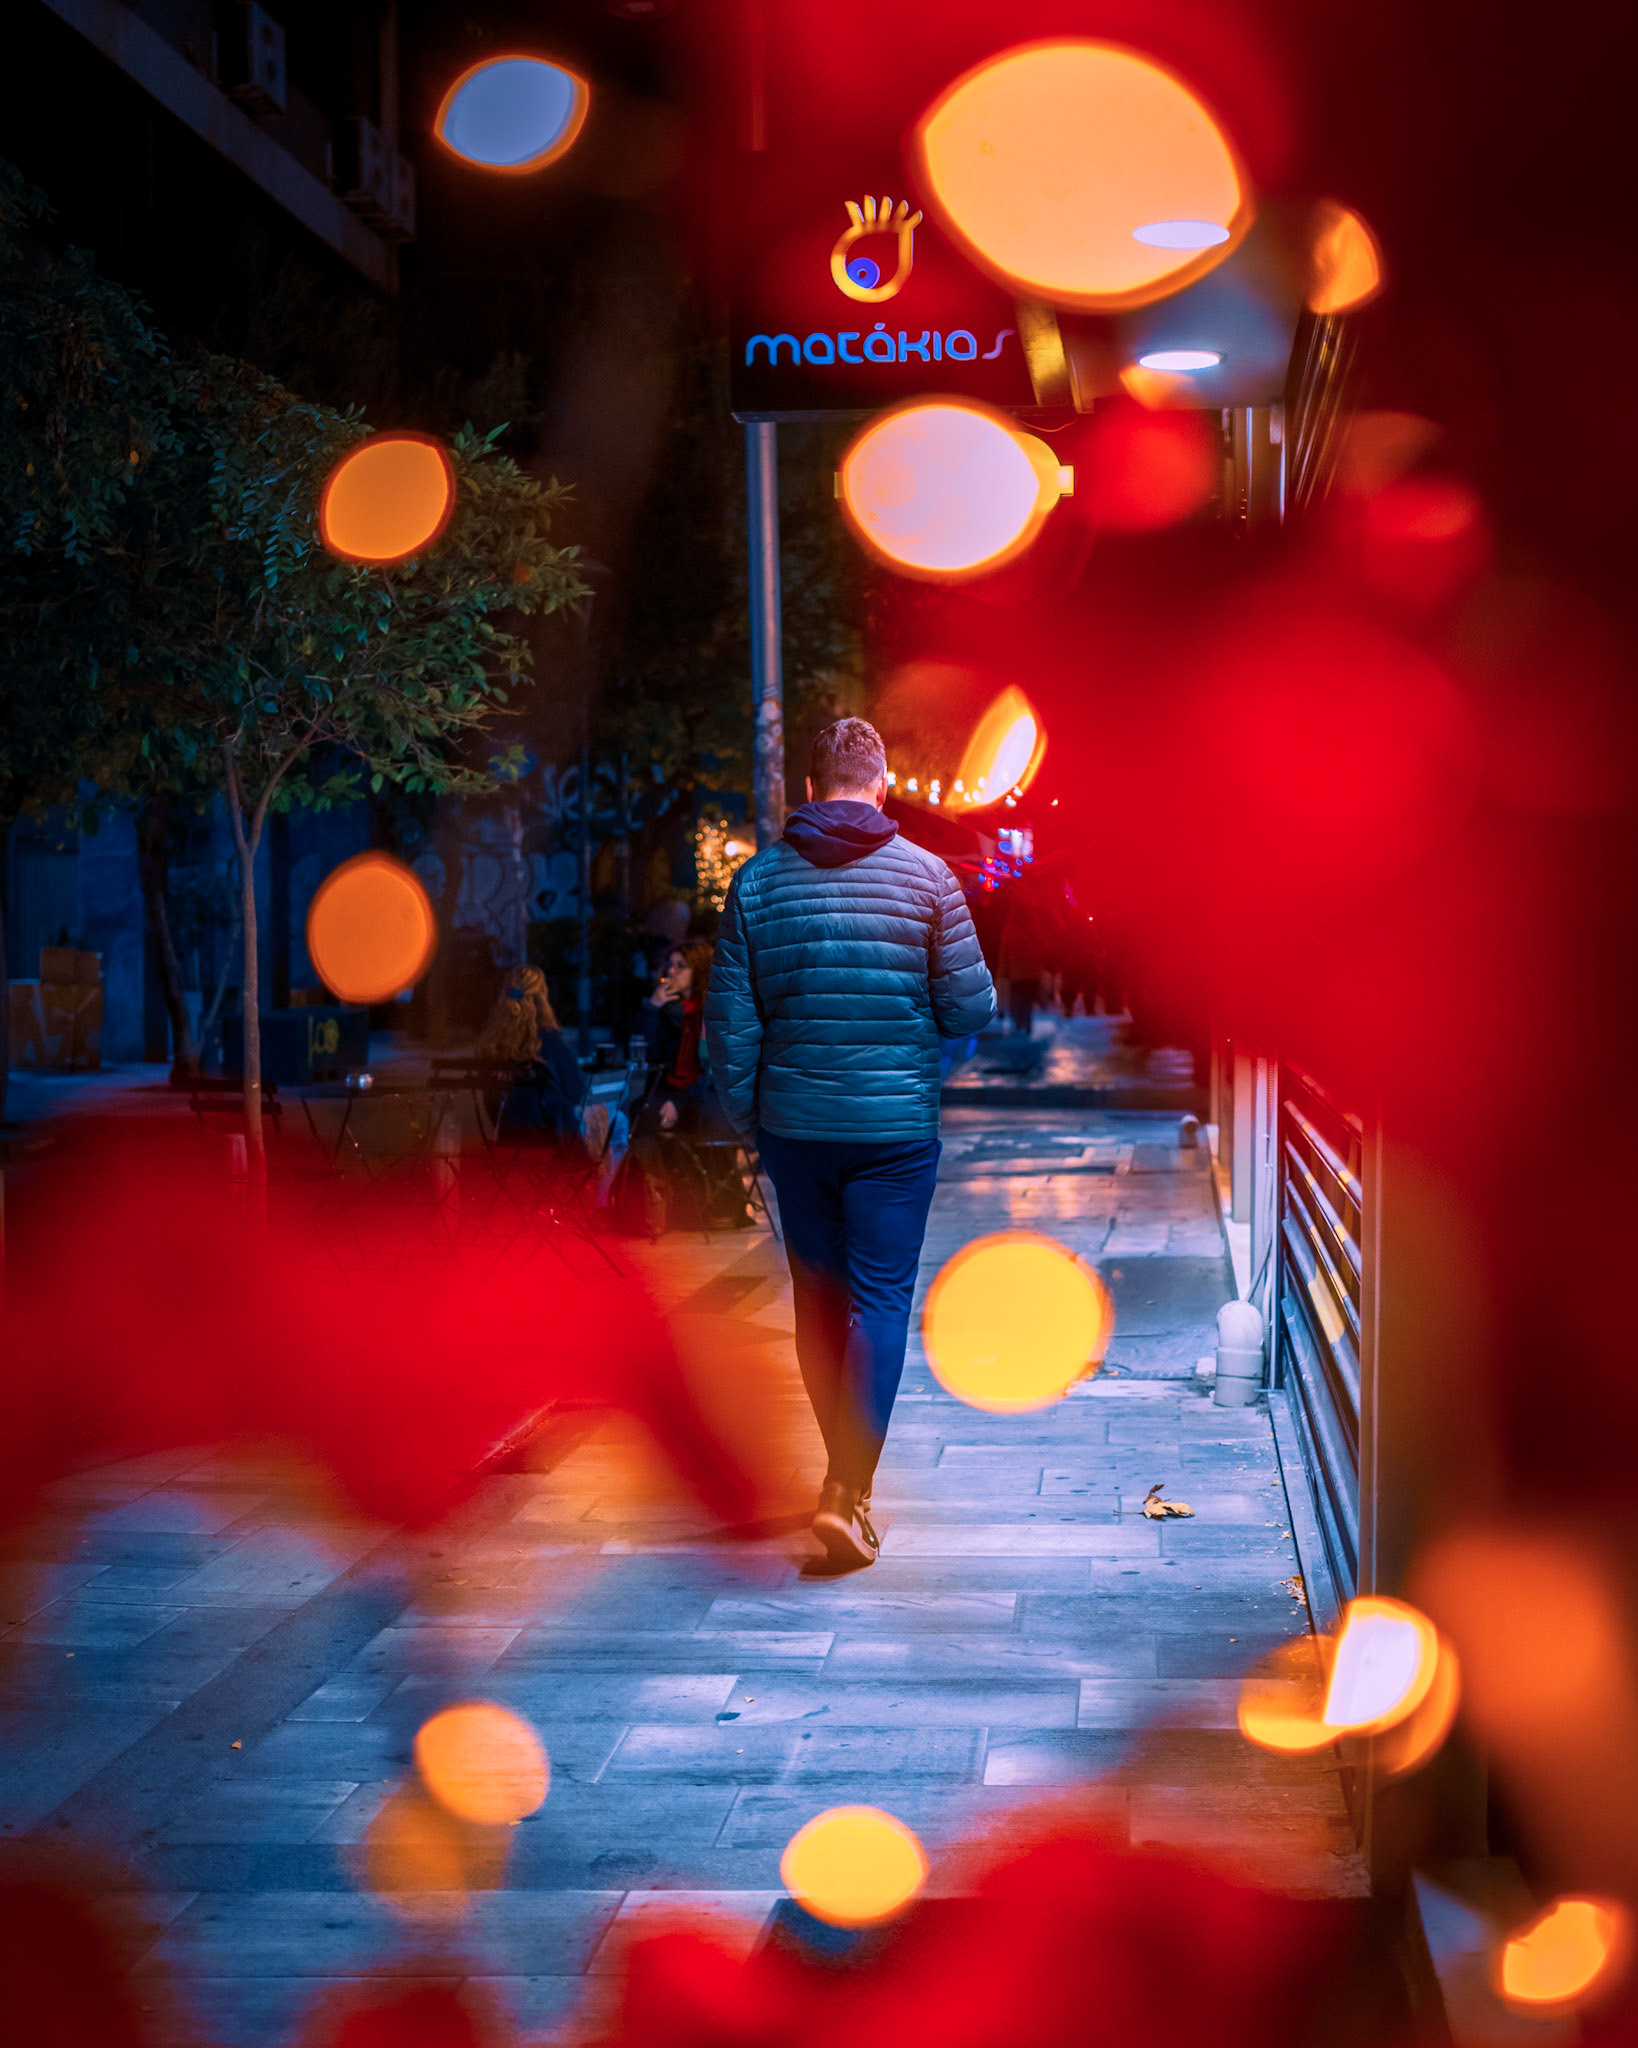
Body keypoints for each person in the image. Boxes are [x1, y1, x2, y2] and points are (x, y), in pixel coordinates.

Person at [706, 716, 997, 1568]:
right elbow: (970, 1010)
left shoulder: (757, 884)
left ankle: (842, 1485)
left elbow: (730, 1027)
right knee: (879, 1302)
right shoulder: (930, 878)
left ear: (807, 788)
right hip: (895, 1131)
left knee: (819, 1303)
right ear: (880, 787)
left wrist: (754, 1117)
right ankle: (846, 1491)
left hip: (796, 1127)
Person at [474, 965, 586, 1151]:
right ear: (542, 998)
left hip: (507, 1137)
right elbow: (575, 1092)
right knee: (616, 1120)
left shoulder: (491, 1045)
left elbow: (491, 1103)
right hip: (549, 1140)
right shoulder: (549, 1043)